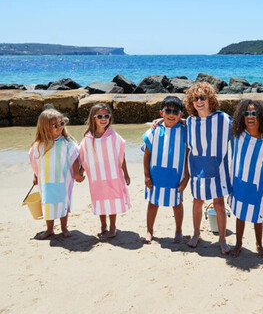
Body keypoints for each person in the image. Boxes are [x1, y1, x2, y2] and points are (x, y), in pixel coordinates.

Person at [228, 99, 263, 258]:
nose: (250, 116)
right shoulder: (237, 135)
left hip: (259, 185)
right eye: (246, 113)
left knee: (258, 214)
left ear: (262, 117)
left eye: (254, 113)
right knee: (240, 213)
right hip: (240, 182)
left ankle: (259, 244)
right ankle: (238, 243)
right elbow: (216, 122)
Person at [185, 82, 232, 254]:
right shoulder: (190, 121)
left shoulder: (223, 119)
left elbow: (242, 130)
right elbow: (173, 125)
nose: (199, 101)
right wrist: (159, 120)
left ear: (210, 99)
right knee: (197, 201)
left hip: (218, 167)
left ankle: (222, 239)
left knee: (219, 203)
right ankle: (196, 234)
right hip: (197, 167)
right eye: (195, 98)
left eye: (202, 97)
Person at [29, 106, 84, 239]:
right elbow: (36, 162)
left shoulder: (66, 143)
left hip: (63, 179)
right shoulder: (39, 145)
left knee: (63, 203)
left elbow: (74, 157)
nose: (60, 127)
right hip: (46, 181)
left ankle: (64, 228)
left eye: (61, 123)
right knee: (48, 204)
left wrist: (77, 173)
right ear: (45, 127)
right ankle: (49, 229)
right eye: (55, 125)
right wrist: (35, 175)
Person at [141, 96, 190, 244]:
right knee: (153, 202)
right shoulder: (155, 130)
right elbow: (147, 154)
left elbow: (188, 157)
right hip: (155, 174)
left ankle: (178, 231)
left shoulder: (185, 131)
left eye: (175, 112)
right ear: (161, 113)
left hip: (176, 176)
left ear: (181, 114)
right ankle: (149, 230)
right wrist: (146, 175)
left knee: (177, 203)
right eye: (168, 111)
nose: (171, 115)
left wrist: (186, 178)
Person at [79, 103, 130, 239]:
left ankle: (113, 226)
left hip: (112, 174)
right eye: (100, 116)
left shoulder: (113, 136)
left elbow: (121, 154)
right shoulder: (88, 138)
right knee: (100, 199)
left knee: (112, 200)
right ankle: (103, 226)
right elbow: (84, 156)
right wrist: (80, 171)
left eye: (106, 116)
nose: (103, 119)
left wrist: (126, 174)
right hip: (96, 176)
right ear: (93, 118)